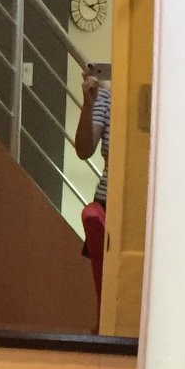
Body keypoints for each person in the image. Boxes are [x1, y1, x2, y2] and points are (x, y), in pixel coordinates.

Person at [73, 69, 111, 308]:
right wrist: (89, 105)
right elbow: (84, 150)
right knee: (105, 287)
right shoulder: (105, 98)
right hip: (107, 203)